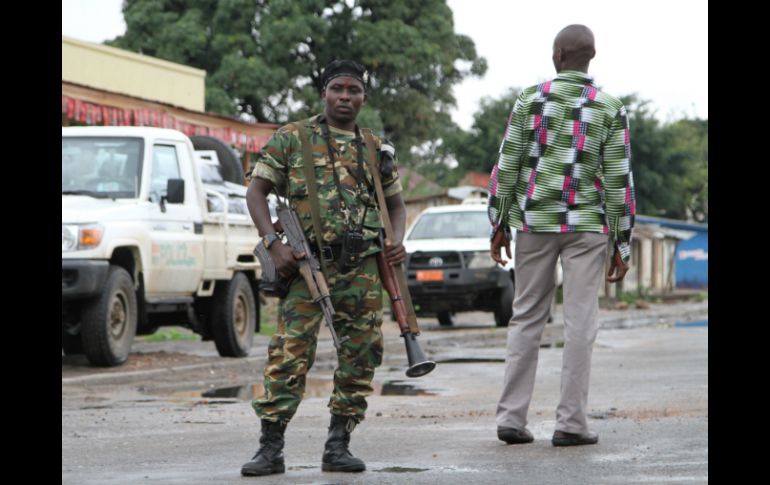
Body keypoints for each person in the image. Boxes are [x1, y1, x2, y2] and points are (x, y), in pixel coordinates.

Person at [241, 59, 407, 476]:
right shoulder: (292, 139)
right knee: (290, 353)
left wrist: (395, 239)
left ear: (364, 97)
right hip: (306, 264)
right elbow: (256, 192)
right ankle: (270, 447)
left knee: (361, 354)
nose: (345, 97)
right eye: (338, 89)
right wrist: (272, 244)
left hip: (363, 269)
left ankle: (338, 444)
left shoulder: (375, 147)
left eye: (353, 90)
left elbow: (397, 203)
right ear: (324, 93)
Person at [487, 24, 635, 447]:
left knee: (526, 316)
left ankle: (512, 418)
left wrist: (498, 224)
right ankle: (571, 424)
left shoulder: (530, 99)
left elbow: (508, 164)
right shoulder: (609, 107)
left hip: (534, 222)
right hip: (586, 226)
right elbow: (619, 179)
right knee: (580, 322)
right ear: (592, 56)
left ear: (557, 55)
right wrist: (622, 242)